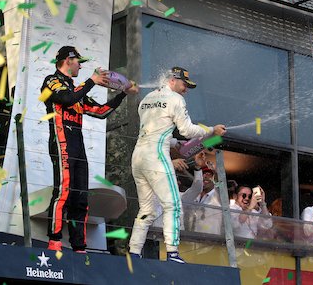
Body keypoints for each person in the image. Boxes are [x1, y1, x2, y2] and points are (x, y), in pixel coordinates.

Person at [42, 46, 138, 253]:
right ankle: (55, 240)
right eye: (78, 61)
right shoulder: (51, 80)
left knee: (81, 198)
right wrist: (91, 81)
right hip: (62, 143)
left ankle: (79, 246)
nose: (81, 65)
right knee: (64, 191)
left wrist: (123, 93)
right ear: (68, 60)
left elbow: (101, 111)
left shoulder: (77, 91)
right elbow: (66, 98)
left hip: (78, 147)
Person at [128, 67, 226, 263]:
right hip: (156, 156)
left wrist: (173, 142)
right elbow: (188, 130)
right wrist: (211, 131)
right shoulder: (175, 99)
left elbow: (154, 129)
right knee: (173, 205)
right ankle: (173, 253)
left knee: (146, 210)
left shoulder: (147, 99)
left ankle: (133, 252)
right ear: (172, 80)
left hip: (138, 157)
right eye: (184, 84)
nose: (186, 90)